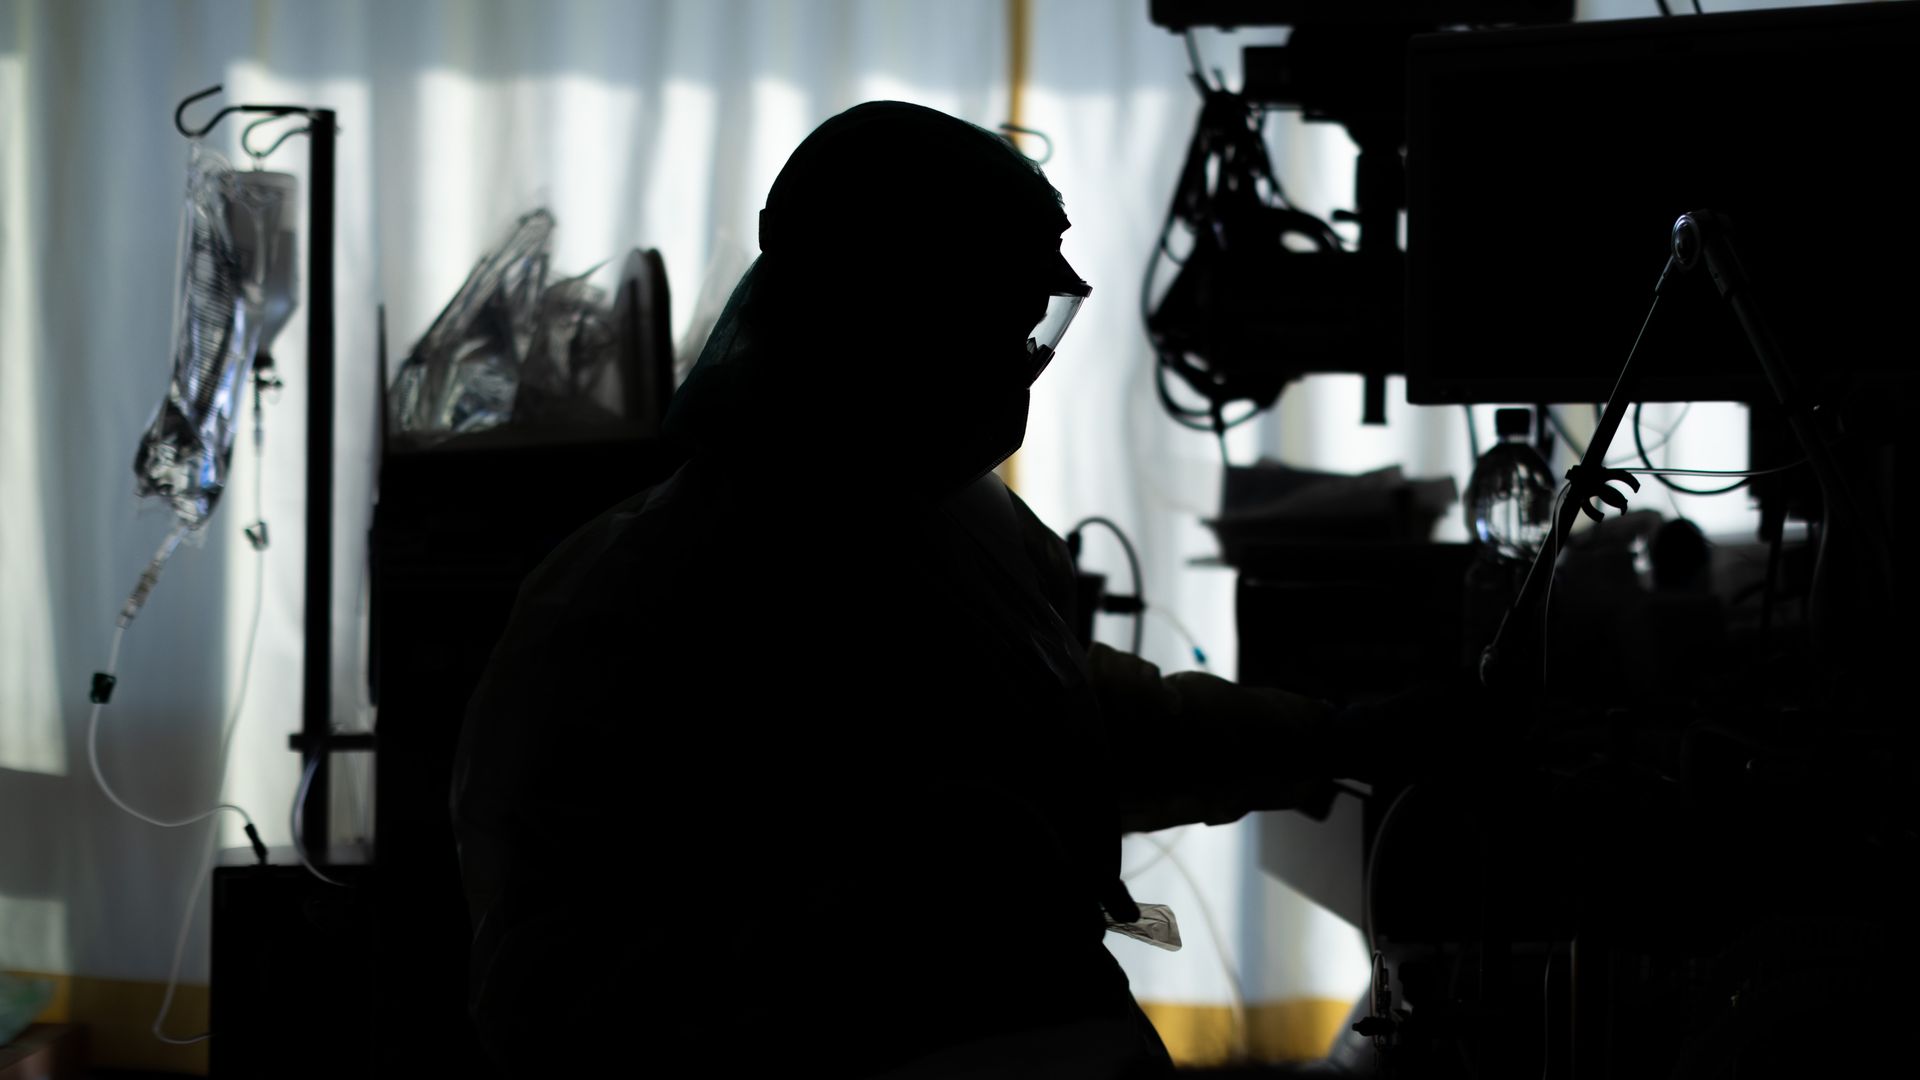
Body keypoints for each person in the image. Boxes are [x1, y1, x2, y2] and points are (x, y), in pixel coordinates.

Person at [450, 100, 1397, 1078]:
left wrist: (1328, 738)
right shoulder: (642, 600)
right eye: (991, 327)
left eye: (1034, 328)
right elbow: (549, 994)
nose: (1020, 366)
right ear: (881, 315)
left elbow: (1069, 722)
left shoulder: (953, 523)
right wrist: (864, 940)